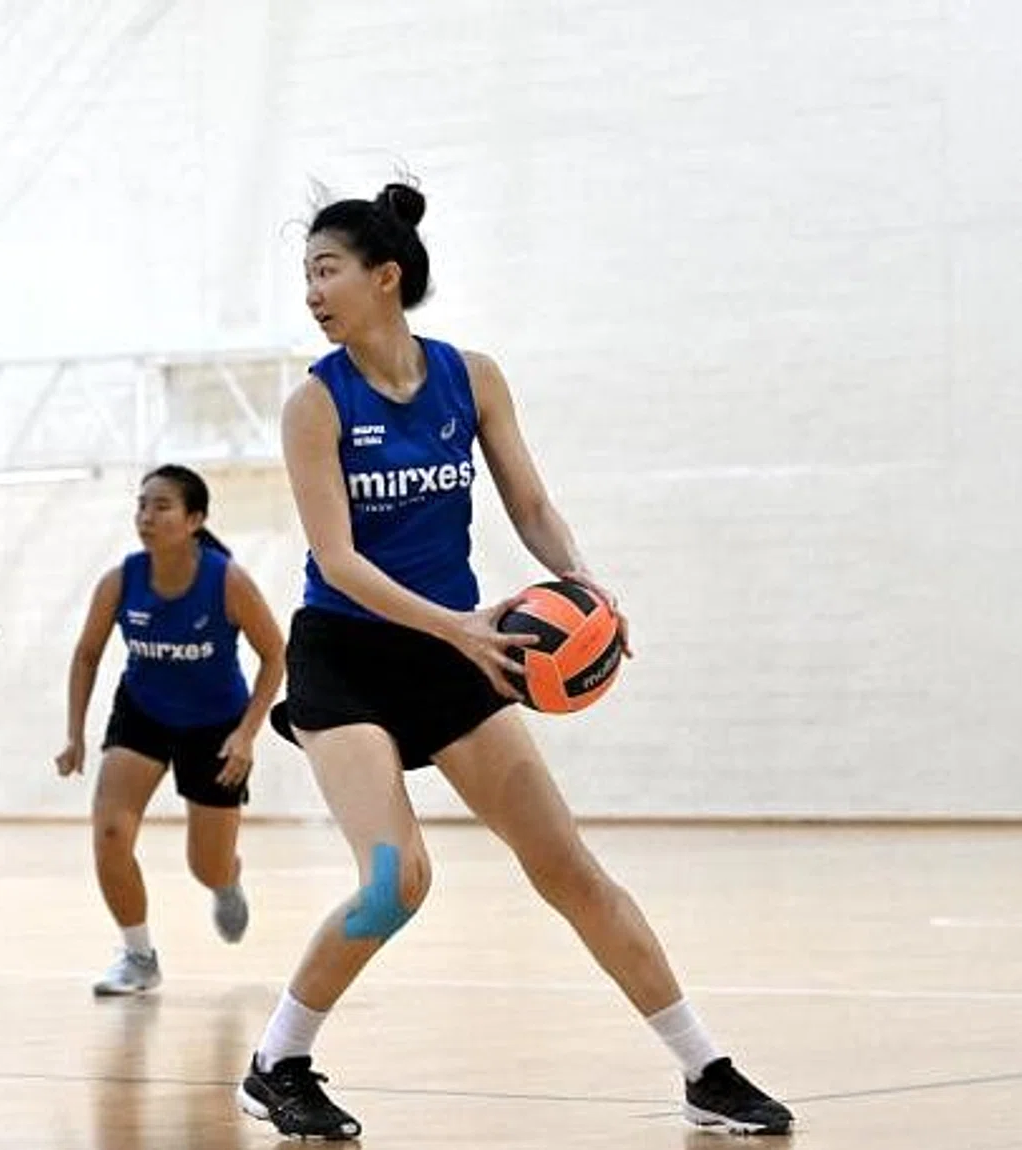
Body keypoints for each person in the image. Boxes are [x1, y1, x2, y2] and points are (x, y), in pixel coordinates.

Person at [235, 184, 794, 1138]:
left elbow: (529, 507)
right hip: (349, 655)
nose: (313, 294)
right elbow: (339, 561)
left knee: (566, 865)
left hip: (459, 645)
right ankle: (279, 1059)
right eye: (306, 277)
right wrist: (458, 627)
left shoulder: (473, 377)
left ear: (386, 277)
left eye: (327, 272)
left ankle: (706, 1068)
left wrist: (586, 586)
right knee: (394, 881)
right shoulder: (313, 405)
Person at [55, 464, 286, 995]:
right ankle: (138, 957)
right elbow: (87, 655)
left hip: (216, 725)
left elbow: (275, 656)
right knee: (111, 834)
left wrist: (247, 734)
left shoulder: (227, 580)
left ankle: (226, 880)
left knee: (205, 864)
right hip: (143, 712)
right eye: (141, 505)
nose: (147, 516)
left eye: (161, 506)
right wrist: (75, 734)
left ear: (194, 519)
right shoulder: (121, 580)